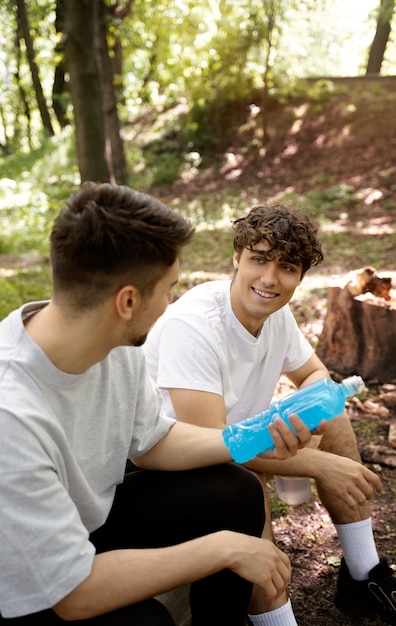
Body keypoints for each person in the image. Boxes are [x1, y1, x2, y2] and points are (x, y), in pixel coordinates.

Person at [0, 184, 316, 626]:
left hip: (92, 525)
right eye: (169, 289)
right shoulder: (11, 411)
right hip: (28, 585)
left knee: (236, 491)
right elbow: (72, 593)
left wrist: (254, 436)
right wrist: (222, 549)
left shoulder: (115, 340)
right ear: (127, 301)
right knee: (147, 621)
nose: (174, 301)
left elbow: (153, 441)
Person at [144, 203, 396, 626]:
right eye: (258, 260)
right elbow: (212, 442)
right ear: (237, 258)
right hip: (171, 466)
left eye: (287, 267)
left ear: (300, 276)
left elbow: (313, 374)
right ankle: (277, 618)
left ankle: (364, 577)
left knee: (335, 418)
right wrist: (317, 464)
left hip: (238, 439)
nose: (270, 279)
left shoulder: (276, 313)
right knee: (247, 483)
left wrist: (309, 409)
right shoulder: (195, 325)